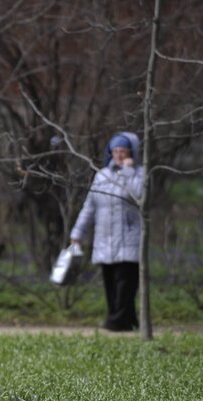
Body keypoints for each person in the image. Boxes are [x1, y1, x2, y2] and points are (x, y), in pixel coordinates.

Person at [70, 131, 144, 332]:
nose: (119, 155)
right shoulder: (102, 175)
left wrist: (128, 171)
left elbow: (138, 196)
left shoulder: (139, 174)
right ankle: (127, 321)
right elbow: (89, 207)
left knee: (125, 284)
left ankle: (116, 322)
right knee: (110, 284)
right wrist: (77, 233)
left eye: (123, 151)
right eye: (116, 151)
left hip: (129, 239)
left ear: (132, 152)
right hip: (105, 240)